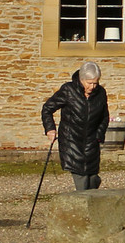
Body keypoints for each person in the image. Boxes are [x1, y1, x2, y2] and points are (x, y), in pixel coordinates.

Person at [41, 62, 110, 191]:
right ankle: (83, 205)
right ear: (81, 79)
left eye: (95, 83)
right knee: (81, 177)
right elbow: (47, 109)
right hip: (71, 140)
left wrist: (99, 135)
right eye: (89, 83)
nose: (92, 86)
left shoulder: (100, 93)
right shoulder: (68, 90)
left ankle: (91, 199)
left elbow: (104, 117)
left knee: (92, 176)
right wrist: (50, 129)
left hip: (91, 140)